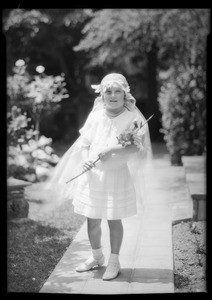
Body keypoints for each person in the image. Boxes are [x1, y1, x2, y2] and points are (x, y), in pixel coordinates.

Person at [46, 73, 152, 281]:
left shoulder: (134, 119)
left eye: (117, 91)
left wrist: (113, 149)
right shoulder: (96, 116)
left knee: (113, 219)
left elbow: (135, 149)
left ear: (125, 94)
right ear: (102, 96)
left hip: (116, 176)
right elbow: (84, 144)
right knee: (92, 219)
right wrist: (86, 159)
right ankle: (96, 256)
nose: (113, 96)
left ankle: (114, 260)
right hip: (93, 176)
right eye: (108, 92)